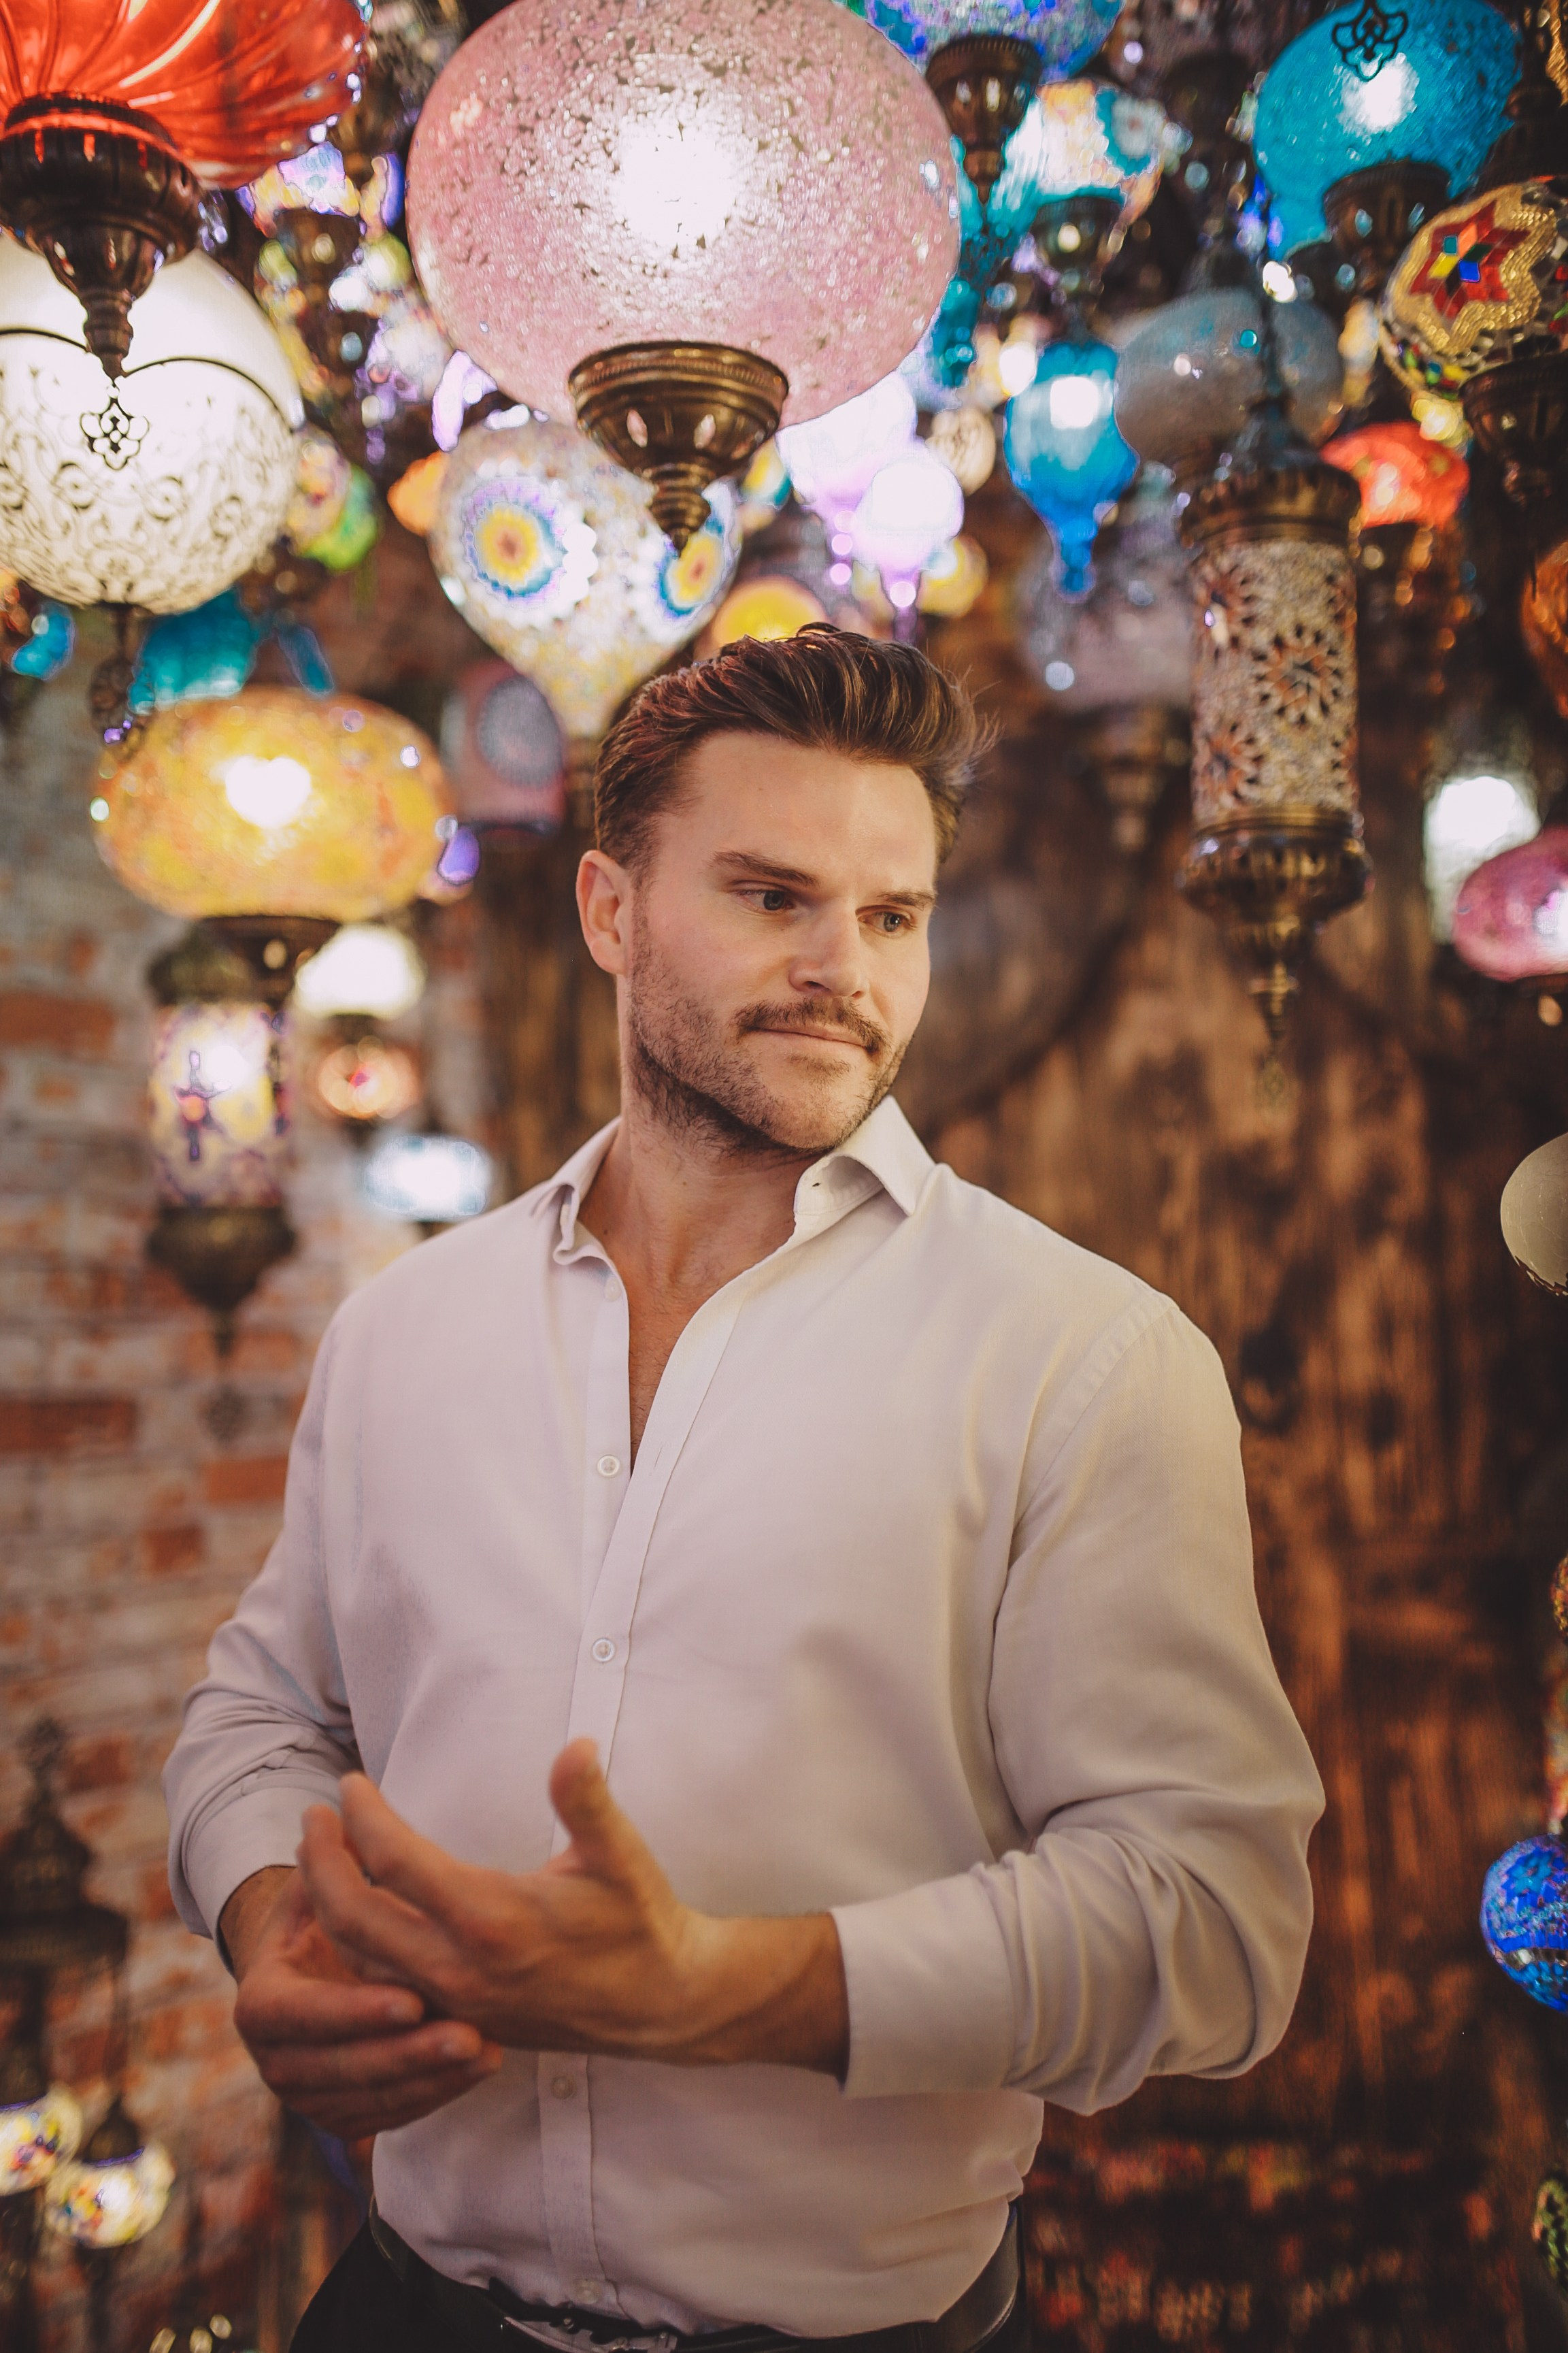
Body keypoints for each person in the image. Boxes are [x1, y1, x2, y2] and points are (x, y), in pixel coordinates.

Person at [164, 626, 1323, 2353]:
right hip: (406, 2310)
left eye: (890, 914)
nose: (840, 968)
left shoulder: (1086, 1354)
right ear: (611, 913)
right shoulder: (402, 1329)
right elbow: (257, 1717)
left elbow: (1213, 1922)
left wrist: (725, 1990)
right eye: (773, 895)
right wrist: (270, 1926)